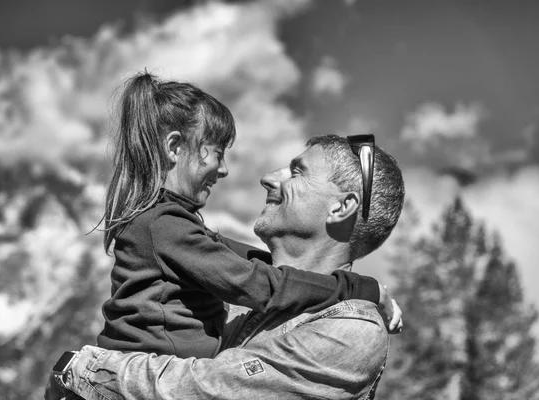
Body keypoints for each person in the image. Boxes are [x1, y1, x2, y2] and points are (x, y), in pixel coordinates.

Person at [47, 133, 405, 400]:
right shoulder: (233, 287)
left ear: (342, 208)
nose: (269, 177)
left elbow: (205, 389)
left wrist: (84, 368)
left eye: (297, 172)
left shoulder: (351, 331)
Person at [91, 71, 393, 362]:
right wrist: (358, 288)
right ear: (174, 147)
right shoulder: (166, 227)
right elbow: (258, 284)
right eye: (218, 153)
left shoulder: (167, 224)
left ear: (343, 207)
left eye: (298, 172)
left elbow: (243, 259)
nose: (223, 170)